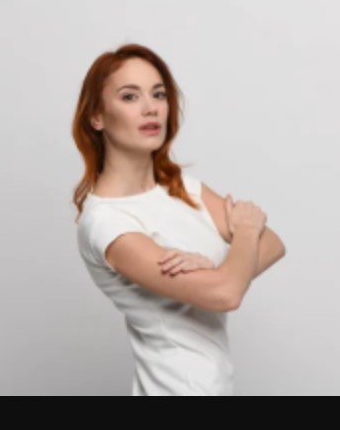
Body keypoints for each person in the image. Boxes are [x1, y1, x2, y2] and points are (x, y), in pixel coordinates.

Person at [72, 43, 269, 396]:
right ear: (97, 116)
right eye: (130, 97)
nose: (151, 108)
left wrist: (213, 266)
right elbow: (227, 293)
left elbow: (273, 244)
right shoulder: (108, 222)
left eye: (158, 94)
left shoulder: (182, 187)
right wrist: (246, 231)